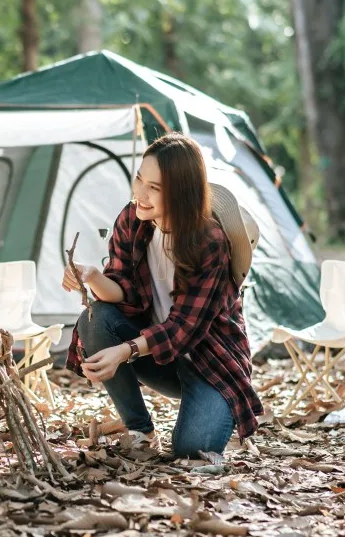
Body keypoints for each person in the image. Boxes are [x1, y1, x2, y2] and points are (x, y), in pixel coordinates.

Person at [61, 132, 262, 458]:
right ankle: (140, 431)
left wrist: (123, 352)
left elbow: (183, 329)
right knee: (95, 318)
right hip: (156, 356)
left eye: (154, 188)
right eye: (139, 179)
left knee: (192, 452)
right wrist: (93, 277)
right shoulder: (132, 219)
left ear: (181, 194)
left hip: (209, 362)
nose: (139, 193)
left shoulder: (208, 241)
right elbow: (123, 290)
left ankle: (213, 411)